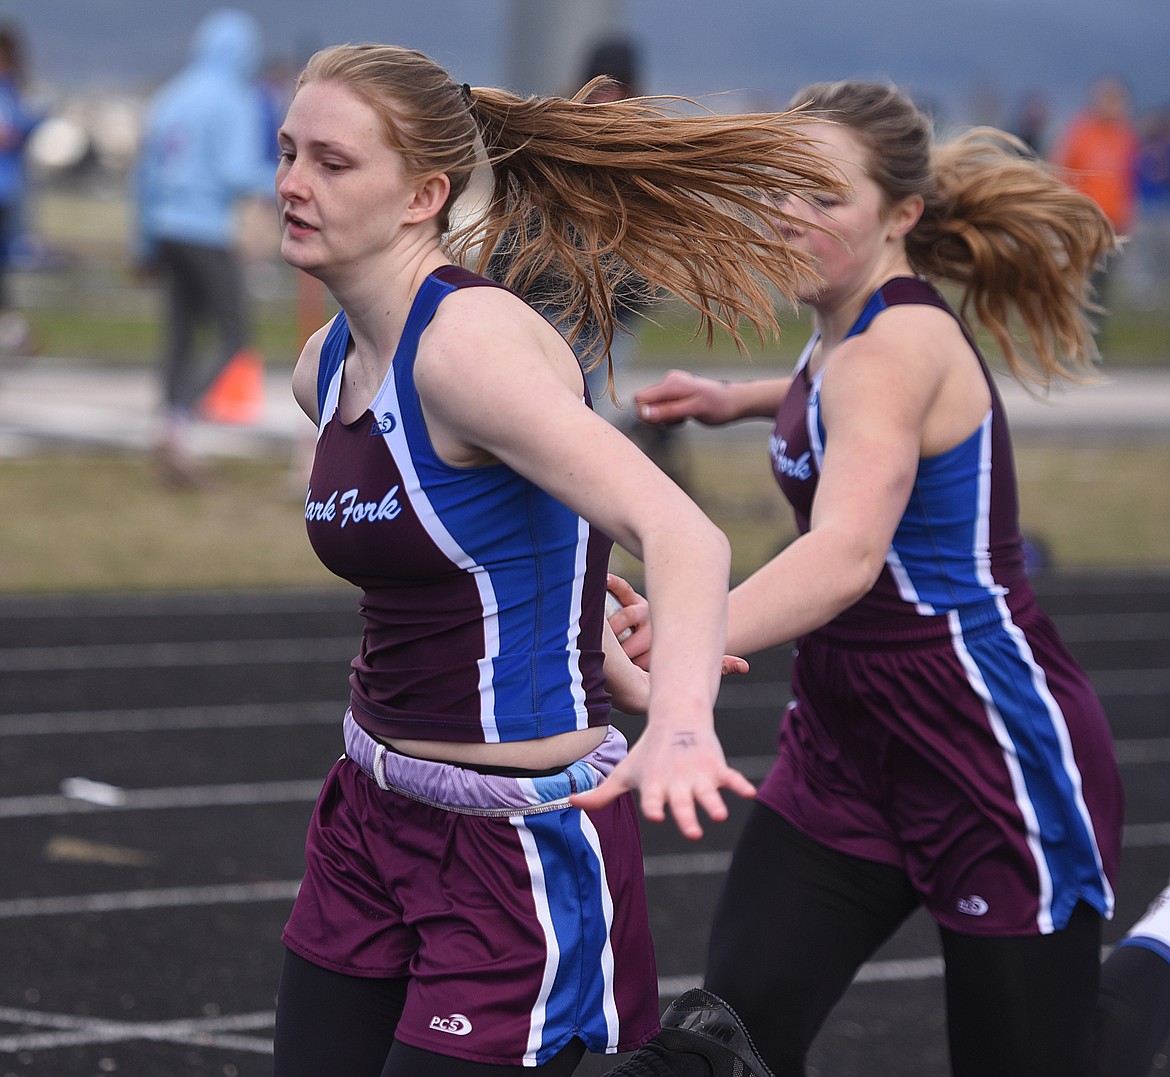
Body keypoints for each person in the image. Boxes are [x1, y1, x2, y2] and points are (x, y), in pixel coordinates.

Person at [269, 43, 846, 1077]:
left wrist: (672, 726)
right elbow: (498, 534)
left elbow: (681, 533)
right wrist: (581, 624)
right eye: (287, 152)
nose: (292, 184)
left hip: (509, 847)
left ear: (423, 195)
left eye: (332, 162)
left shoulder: (469, 347)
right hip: (366, 817)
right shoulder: (325, 368)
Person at [582, 80, 1170, 1077]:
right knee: (726, 1042)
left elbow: (847, 557)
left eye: (824, 197)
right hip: (846, 744)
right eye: (781, 188)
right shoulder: (847, 333)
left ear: (900, 215)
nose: (788, 214)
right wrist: (743, 398)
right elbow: (840, 394)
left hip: (981, 741)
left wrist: (690, 631)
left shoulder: (894, 345)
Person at [131, 7, 275, 485]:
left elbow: (145, 175)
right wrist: (283, 176)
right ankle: (178, 424)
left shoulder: (171, 95)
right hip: (206, 230)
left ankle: (170, 429)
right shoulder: (232, 97)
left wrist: (145, 240)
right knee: (233, 334)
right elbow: (236, 173)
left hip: (166, 228)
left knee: (179, 334)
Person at [1051, 75, 1141, 327]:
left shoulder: (1126, 136)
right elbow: (1065, 172)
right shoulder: (1081, 132)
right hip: (1085, 219)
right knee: (1083, 279)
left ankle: (1096, 335)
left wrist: (1129, 212)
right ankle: (1077, 332)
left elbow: (1129, 178)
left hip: (1114, 220)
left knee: (1106, 282)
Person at [0, 22, 42, 357]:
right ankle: (14, 329)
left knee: (5, 265)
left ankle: (13, 329)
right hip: (8, 188)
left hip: (8, 190)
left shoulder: (14, 91)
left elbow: (21, 127)